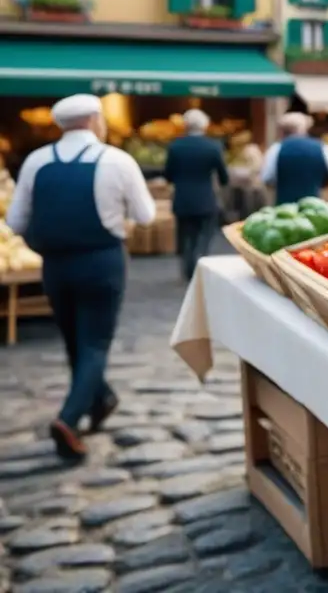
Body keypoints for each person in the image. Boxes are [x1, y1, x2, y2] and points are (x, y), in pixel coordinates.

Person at [5, 94, 156, 459]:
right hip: (101, 262)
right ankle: (69, 419)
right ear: (94, 120)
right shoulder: (116, 160)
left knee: (75, 339)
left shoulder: (36, 162)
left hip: (55, 265)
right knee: (94, 343)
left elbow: (14, 222)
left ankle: (101, 399)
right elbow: (146, 215)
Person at [164, 109, 229, 282]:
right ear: (205, 125)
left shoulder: (175, 147)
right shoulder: (213, 147)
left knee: (185, 236)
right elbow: (223, 177)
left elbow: (168, 175)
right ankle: (200, 264)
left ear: (185, 125)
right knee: (204, 235)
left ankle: (188, 270)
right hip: (205, 198)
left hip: (182, 197)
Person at [260, 112, 328, 205]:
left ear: (282, 130)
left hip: (285, 207)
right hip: (314, 205)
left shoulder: (276, 148)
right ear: (305, 128)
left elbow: (267, 177)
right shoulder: (321, 147)